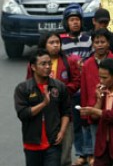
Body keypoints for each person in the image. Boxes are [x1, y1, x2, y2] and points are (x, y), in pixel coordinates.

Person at [27, 33, 80, 166]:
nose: (56, 45)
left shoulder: (69, 61)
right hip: (42, 115)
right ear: (44, 45)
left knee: (64, 154)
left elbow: (76, 82)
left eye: (58, 42)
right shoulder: (33, 65)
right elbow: (28, 85)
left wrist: (59, 92)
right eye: (51, 42)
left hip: (63, 112)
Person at [14, 49, 71, 166]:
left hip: (53, 143)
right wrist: (44, 104)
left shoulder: (59, 87)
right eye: (43, 64)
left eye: (49, 63)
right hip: (32, 144)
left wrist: (62, 131)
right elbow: (23, 114)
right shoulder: (23, 89)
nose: (47, 67)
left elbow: (66, 112)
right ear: (33, 67)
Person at [80, 28, 113, 165]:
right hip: (95, 113)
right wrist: (85, 115)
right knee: (99, 151)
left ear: (108, 43)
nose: (100, 44)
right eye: (96, 42)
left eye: (103, 41)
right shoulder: (87, 64)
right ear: (92, 44)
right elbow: (84, 90)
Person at [60, 4, 92, 166]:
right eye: (72, 20)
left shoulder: (88, 39)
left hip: (88, 88)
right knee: (76, 123)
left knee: (89, 121)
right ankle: (80, 153)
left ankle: (90, 152)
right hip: (72, 90)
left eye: (77, 20)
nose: (75, 23)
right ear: (66, 22)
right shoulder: (60, 41)